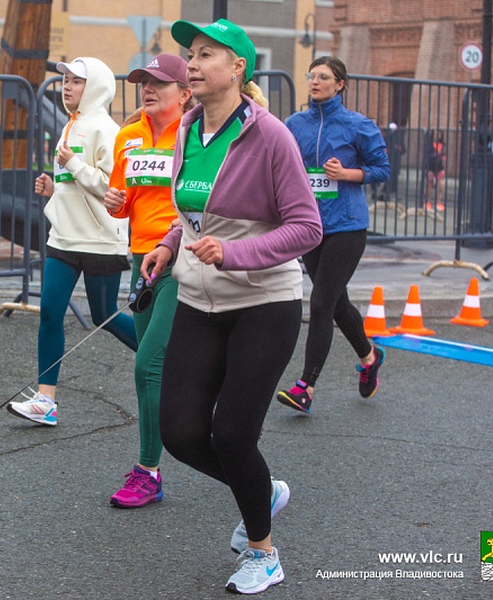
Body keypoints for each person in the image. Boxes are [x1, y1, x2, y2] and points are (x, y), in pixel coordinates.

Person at [140, 20, 322, 595]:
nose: (191, 64)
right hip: (198, 296)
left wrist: (237, 252)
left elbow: (307, 226)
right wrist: (169, 245)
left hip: (264, 300)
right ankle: (261, 491)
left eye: (206, 54)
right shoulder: (187, 129)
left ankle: (263, 552)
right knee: (180, 431)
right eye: (189, 54)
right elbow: (192, 213)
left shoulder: (271, 136)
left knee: (234, 434)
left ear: (238, 67)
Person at [7, 57, 137, 427]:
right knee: (50, 313)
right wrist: (53, 188)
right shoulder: (71, 125)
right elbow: (73, 184)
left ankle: (164, 363)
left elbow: (114, 188)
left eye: (77, 81)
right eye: (65, 80)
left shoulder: (108, 131)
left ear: (94, 86)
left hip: (99, 240)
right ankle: (45, 401)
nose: (67, 86)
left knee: (105, 315)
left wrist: (74, 168)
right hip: (64, 236)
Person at [101, 54, 193, 508]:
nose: (147, 88)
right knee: (163, 362)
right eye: (143, 82)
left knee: (147, 365)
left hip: (184, 256)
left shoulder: (194, 136)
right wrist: (113, 200)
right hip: (142, 257)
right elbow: (120, 203)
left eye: (158, 82)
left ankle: (148, 471)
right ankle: (221, 401)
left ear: (185, 92)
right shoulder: (127, 136)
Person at [276, 56, 390, 415]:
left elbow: (381, 169)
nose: (315, 81)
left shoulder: (358, 125)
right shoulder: (294, 124)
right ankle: (369, 357)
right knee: (337, 302)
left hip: (347, 226)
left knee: (322, 302)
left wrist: (348, 174)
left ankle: (305, 386)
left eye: (324, 77)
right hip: (309, 226)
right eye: (312, 75)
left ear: (340, 84)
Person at [425, 131, 446, 211]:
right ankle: (427, 202)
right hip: (431, 167)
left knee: (441, 185)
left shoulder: (442, 145)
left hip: (439, 167)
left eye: (439, 134)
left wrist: (444, 168)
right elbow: (427, 156)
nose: (437, 135)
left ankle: (439, 203)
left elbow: (444, 157)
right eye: (436, 134)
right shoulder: (429, 145)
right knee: (429, 184)